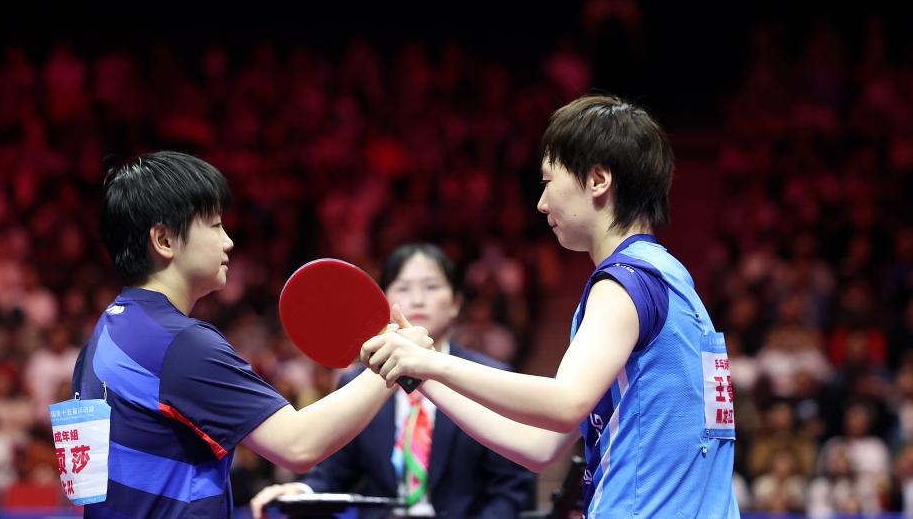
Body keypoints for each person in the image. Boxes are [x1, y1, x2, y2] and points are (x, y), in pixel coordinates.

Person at [361, 95, 741, 517]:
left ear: (598, 180)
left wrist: (432, 362)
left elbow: (564, 403)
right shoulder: (670, 279)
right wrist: (418, 374)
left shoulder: (622, 284)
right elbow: (538, 447)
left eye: (547, 181)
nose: (541, 203)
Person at [71, 151, 429, 517]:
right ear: (164, 240)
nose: (228, 241)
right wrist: (397, 357)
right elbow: (299, 444)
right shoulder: (178, 345)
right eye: (214, 226)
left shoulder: (101, 339)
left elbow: (84, 484)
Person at [249, 243, 536, 518]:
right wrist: (301, 492)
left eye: (431, 287)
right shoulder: (355, 384)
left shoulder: (489, 378)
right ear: (383, 301)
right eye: (403, 287)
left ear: (455, 303)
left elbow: (511, 489)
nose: (417, 299)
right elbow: (334, 472)